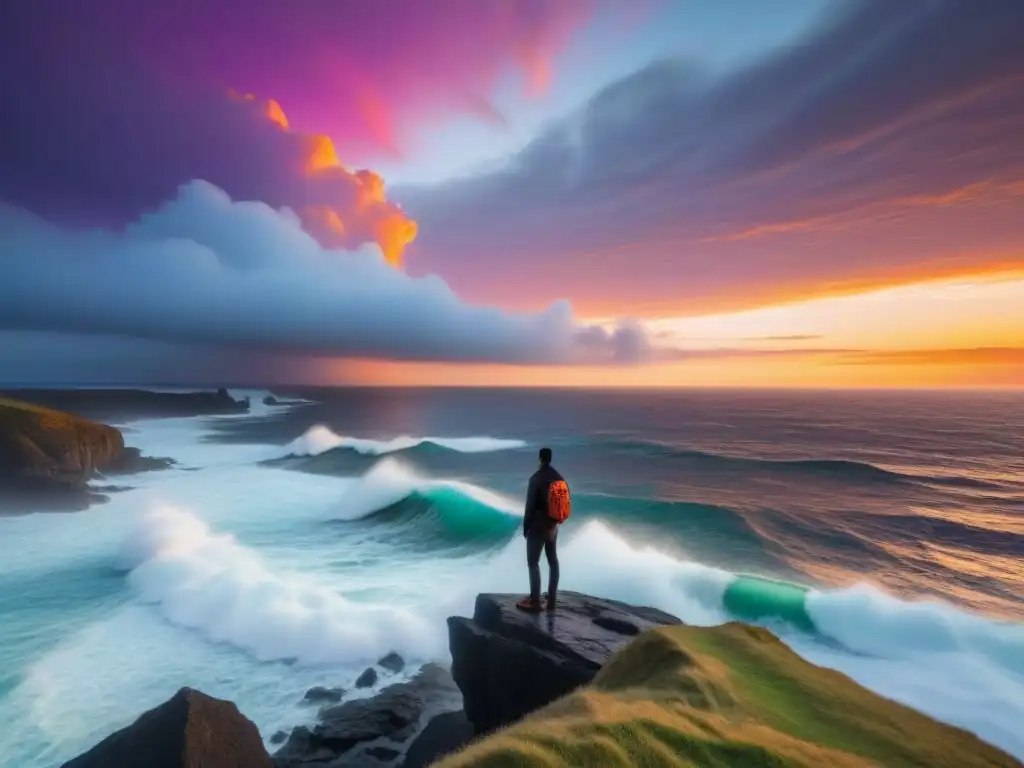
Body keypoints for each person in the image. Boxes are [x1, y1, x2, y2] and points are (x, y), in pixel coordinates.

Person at [517, 446, 568, 613]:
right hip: (553, 527)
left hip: (538, 526)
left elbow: (530, 506)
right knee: (553, 561)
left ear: (540, 459)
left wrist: (526, 527)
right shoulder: (559, 478)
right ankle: (552, 601)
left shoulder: (536, 478)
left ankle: (535, 601)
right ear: (550, 459)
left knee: (533, 562)